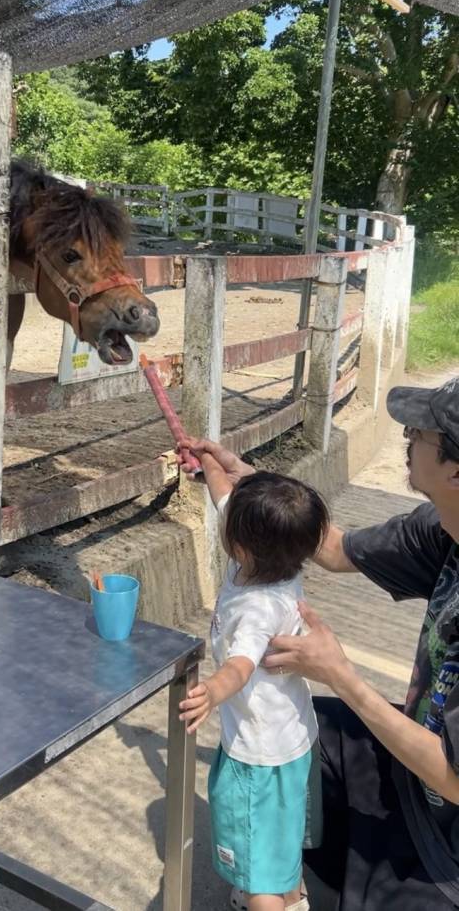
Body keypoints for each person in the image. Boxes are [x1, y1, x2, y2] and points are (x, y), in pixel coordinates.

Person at [179, 376, 459, 910]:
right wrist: (245, 480)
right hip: (413, 771)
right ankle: (294, 878)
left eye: (422, 432)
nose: (408, 435)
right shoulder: (442, 526)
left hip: (450, 838)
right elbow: (324, 545)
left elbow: (455, 780)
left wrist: (343, 675)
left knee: (270, 849)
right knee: (317, 727)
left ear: (456, 470)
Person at [178, 440, 330, 911]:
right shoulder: (276, 565)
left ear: (239, 543)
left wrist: (210, 692)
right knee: (278, 841)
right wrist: (206, 457)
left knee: (255, 868)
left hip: (257, 754)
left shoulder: (257, 608)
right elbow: (226, 494)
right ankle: (295, 898)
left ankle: (267, 900)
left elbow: (239, 667)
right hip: (293, 738)